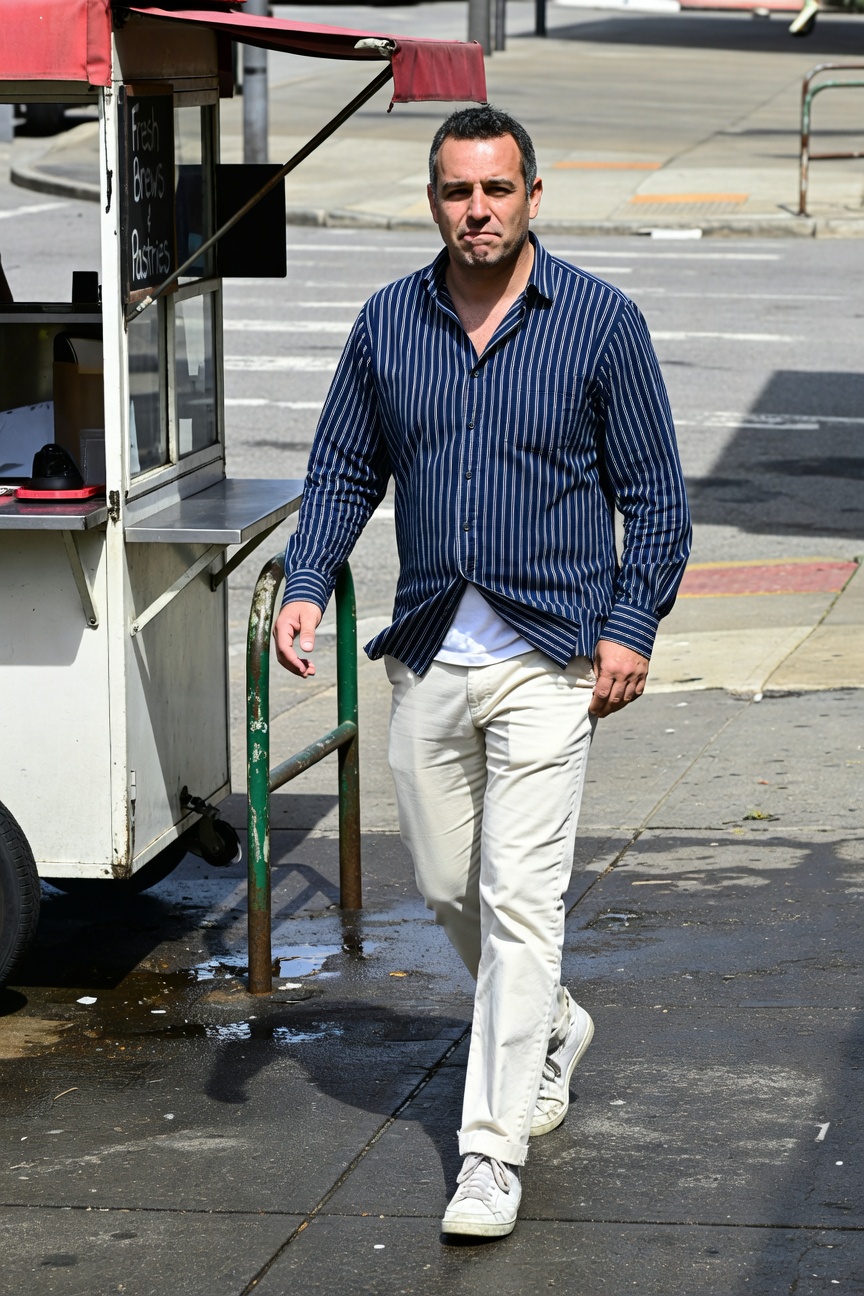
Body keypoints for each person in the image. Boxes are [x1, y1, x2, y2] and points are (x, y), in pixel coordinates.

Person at [274, 105, 691, 1239]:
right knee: (452, 889)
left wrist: (631, 624)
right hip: (431, 651)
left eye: (497, 190)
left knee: (518, 899)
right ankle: (551, 1019)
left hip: (553, 657)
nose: (479, 211)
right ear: (433, 202)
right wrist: (307, 579)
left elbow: (656, 499)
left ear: (533, 196)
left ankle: (489, 1152)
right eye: (458, 192)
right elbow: (344, 466)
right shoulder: (389, 322)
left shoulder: (600, 324)